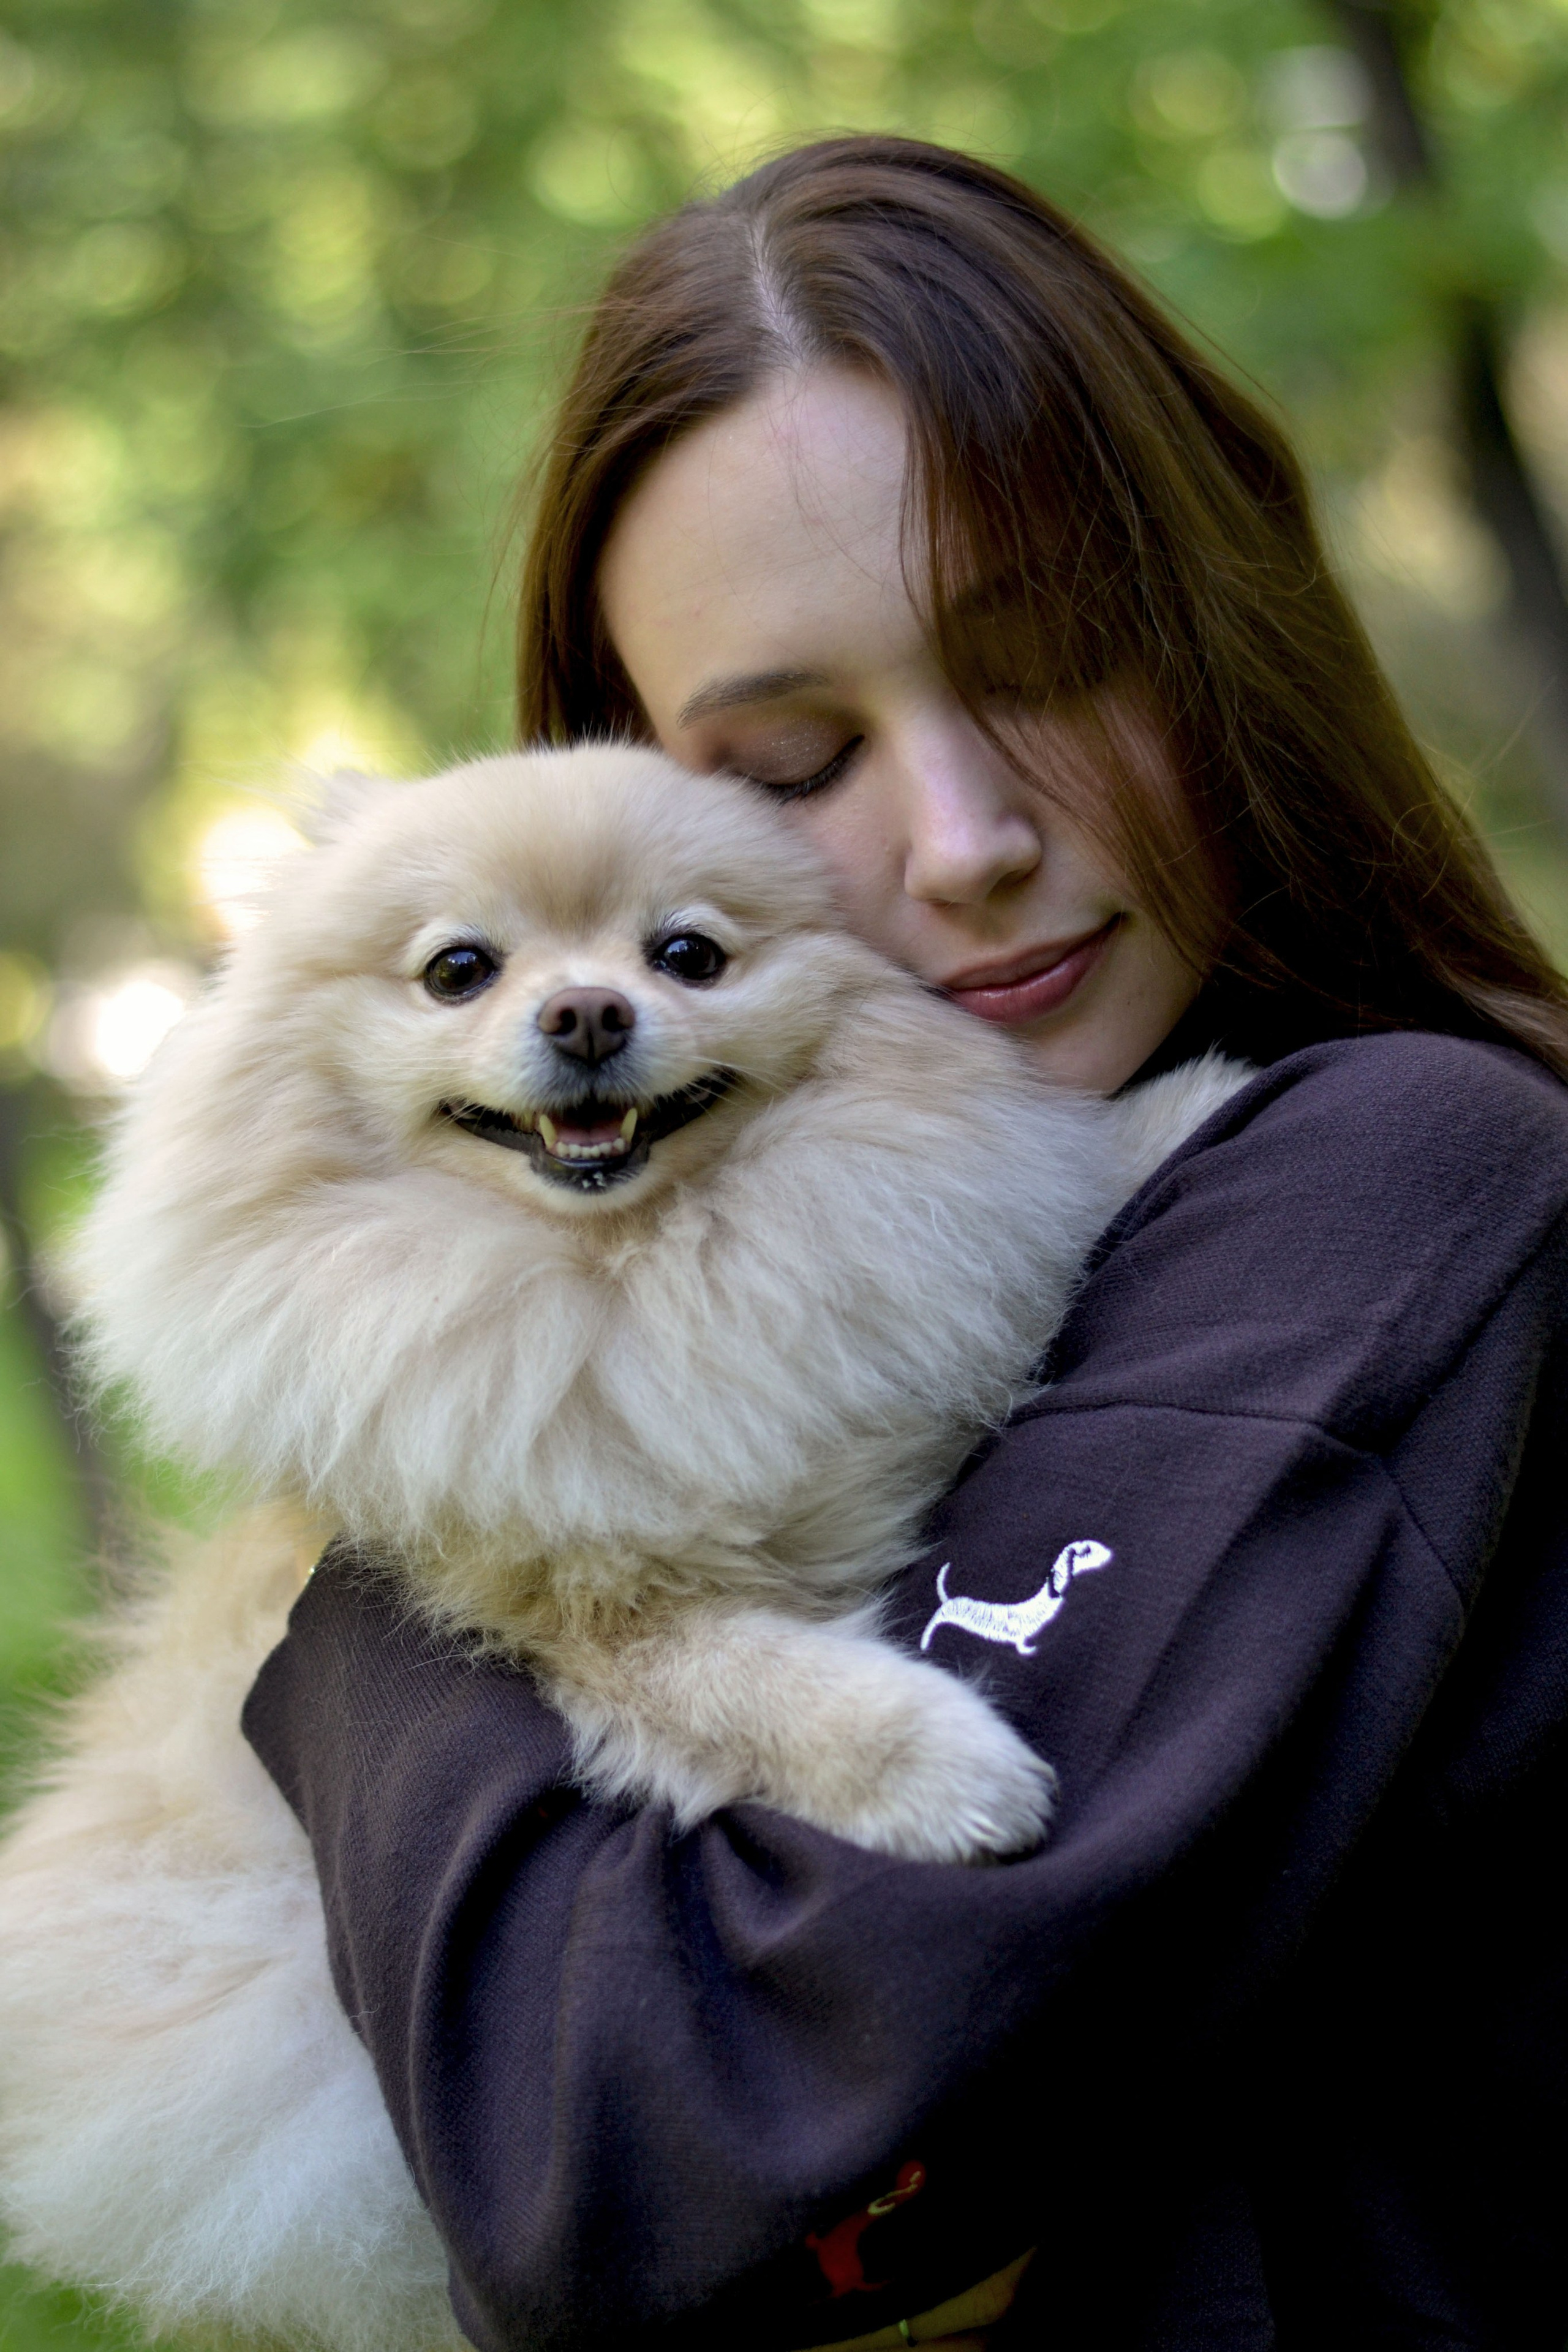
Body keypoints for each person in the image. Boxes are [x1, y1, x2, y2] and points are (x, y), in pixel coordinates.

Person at [242, 137, 1568, 2351]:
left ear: (1223, 632)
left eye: (1049, 666)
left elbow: (658, 2153)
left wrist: (367, 1590)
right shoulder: (793, 1297)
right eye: (789, 763)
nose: (965, 846)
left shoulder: (1399, 1177)